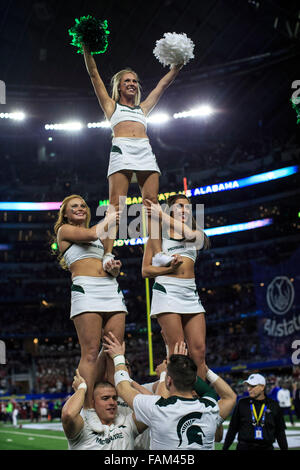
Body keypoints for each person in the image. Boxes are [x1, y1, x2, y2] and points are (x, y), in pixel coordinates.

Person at [82, 44, 183, 267]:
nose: (131, 84)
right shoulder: (111, 106)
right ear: (118, 86)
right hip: (121, 150)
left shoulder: (143, 109)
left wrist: (177, 66)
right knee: (116, 206)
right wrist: (86, 48)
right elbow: (94, 75)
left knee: (152, 204)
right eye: (127, 81)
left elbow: (163, 85)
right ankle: (108, 253)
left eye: (134, 81)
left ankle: (157, 253)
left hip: (145, 151)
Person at [103, 331, 236, 450]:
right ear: (192, 379)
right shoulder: (210, 407)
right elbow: (229, 397)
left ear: (169, 381)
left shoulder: (158, 408)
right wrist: (186, 367)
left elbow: (122, 387)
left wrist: (118, 357)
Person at [54, 194, 126, 410]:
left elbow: (108, 261)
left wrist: (114, 268)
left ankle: (116, 405)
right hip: (86, 290)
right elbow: (93, 232)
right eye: (74, 206)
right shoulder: (64, 231)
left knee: (115, 352)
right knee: (91, 353)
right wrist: (111, 217)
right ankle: (86, 410)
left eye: (83, 205)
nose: (80, 208)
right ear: (65, 214)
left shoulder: (99, 235)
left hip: (111, 289)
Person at [142, 193, 209, 379]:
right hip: (167, 291)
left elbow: (188, 233)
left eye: (187, 207)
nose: (184, 210)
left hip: (190, 293)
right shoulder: (157, 238)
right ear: (170, 209)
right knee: (177, 351)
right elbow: (145, 271)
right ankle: (178, 398)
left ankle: (200, 399)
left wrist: (161, 214)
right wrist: (168, 269)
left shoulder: (195, 234)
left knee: (199, 352)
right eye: (179, 206)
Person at [61, 369, 147, 450]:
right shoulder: (83, 427)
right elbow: (68, 414)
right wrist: (81, 388)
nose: (112, 402)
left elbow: (154, 407)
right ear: (92, 402)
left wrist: (128, 381)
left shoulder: (128, 424)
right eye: (105, 398)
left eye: (114, 398)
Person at [222, 373, 288, 450]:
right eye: (248, 386)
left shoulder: (274, 405)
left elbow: (280, 433)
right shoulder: (242, 403)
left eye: (252, 386)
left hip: (266, 447)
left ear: (262, 387)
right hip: (244, 447)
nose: (248, 389)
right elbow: (232, 429)